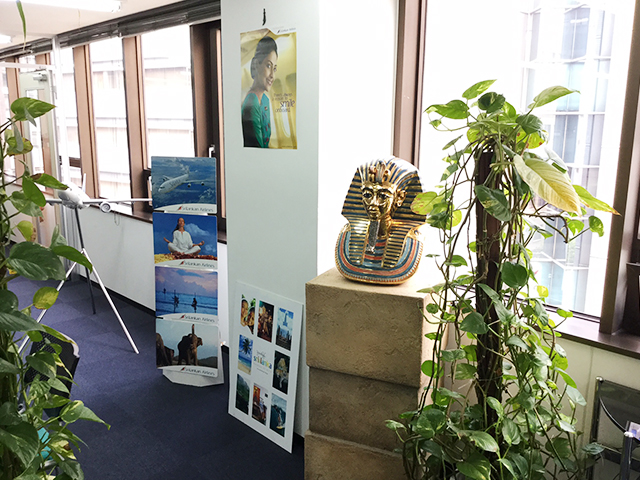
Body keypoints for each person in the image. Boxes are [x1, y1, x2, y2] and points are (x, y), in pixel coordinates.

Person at [335, 158, 427, 284]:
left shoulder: (412, 241)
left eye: (383, 196)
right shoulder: (347, 234)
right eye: (367, 195)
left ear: (400, 198)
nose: (373, 203)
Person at [242, 36, 278, 148]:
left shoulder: (265, 100)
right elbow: (257, 147)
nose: (272, 75)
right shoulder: (251, 103)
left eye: (274, 68)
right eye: (268, 66)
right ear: (257, 65)